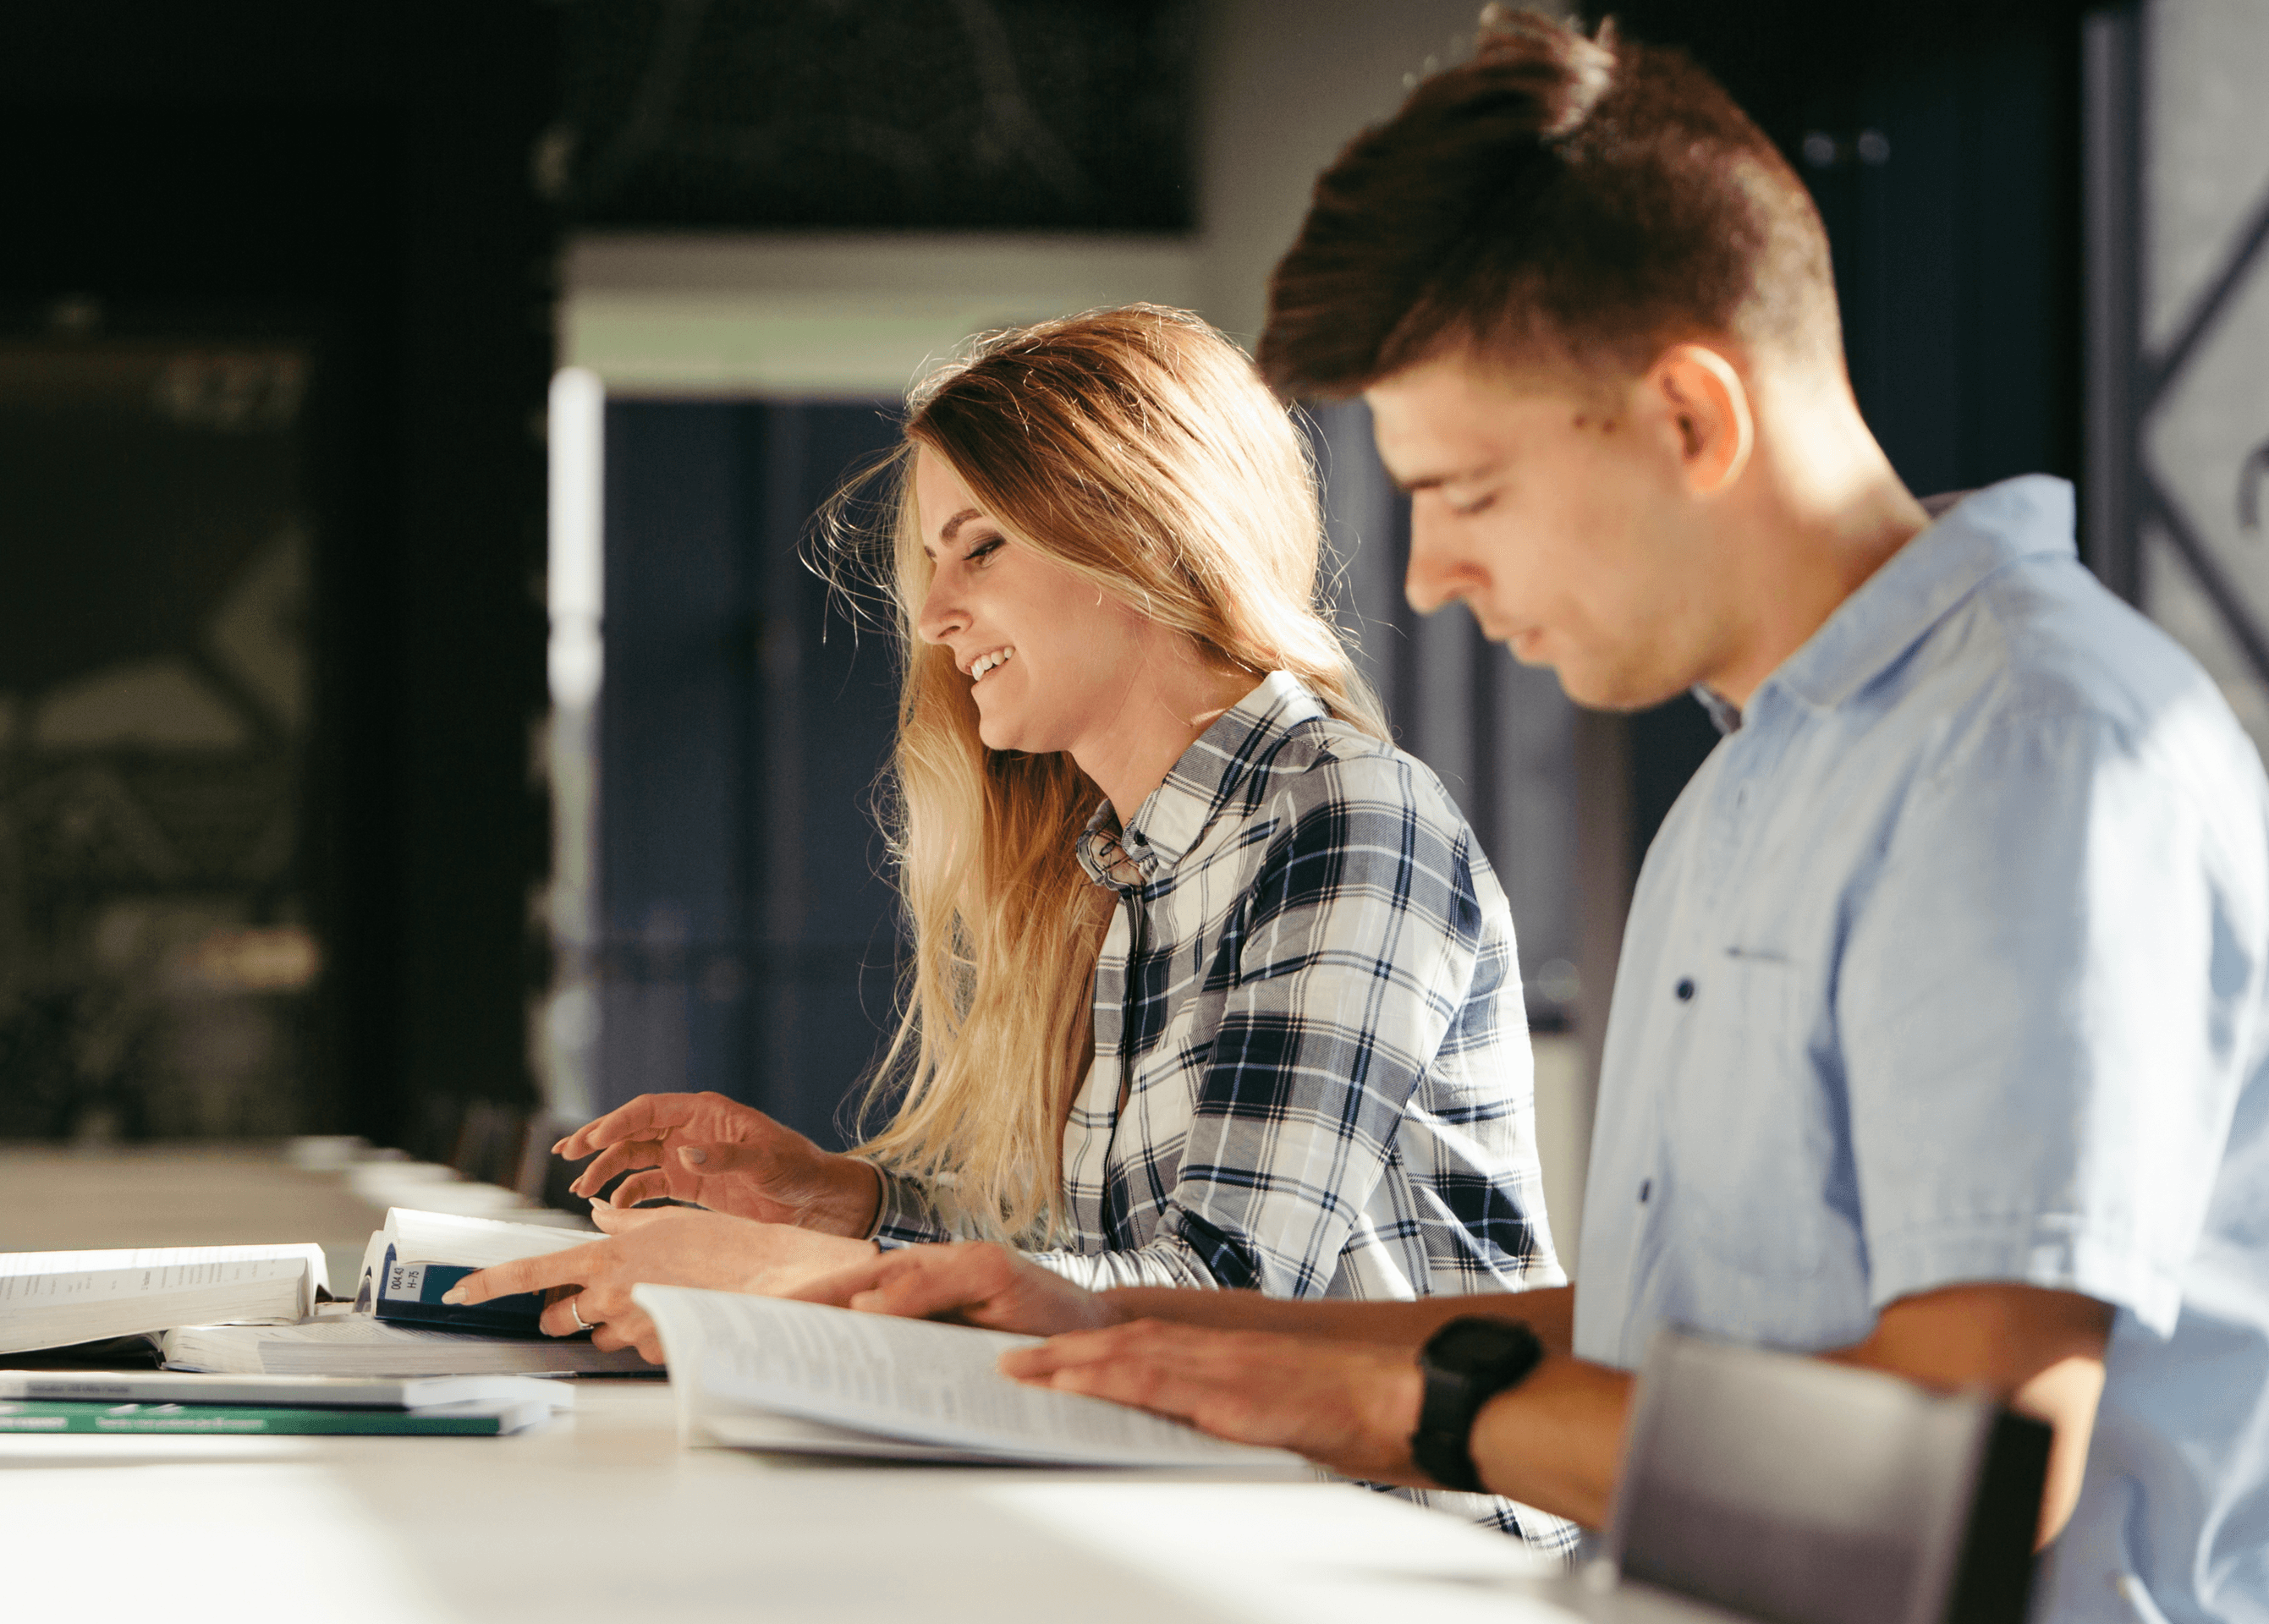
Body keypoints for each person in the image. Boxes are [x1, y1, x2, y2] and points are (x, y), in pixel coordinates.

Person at [799, 13, 2269, 1624]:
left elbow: (1962, 1465)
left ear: (1690, 415)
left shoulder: (2026, 757)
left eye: (1467, 494)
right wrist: (1126, 1341)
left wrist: (1416, 1410)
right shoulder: (1763, 776)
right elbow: (1686, 1343)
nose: (1429, 580)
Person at [452, 304, 1574, 1545]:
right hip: (1225, 1533)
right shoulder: (1129, 859)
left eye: (976, 549)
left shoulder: (1344, 817)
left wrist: (778, 1290)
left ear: (1139, 533)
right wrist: (841, 1205)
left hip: (1413, 1563)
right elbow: (1089, 1266)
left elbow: (1227, 1302)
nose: (933, 616)